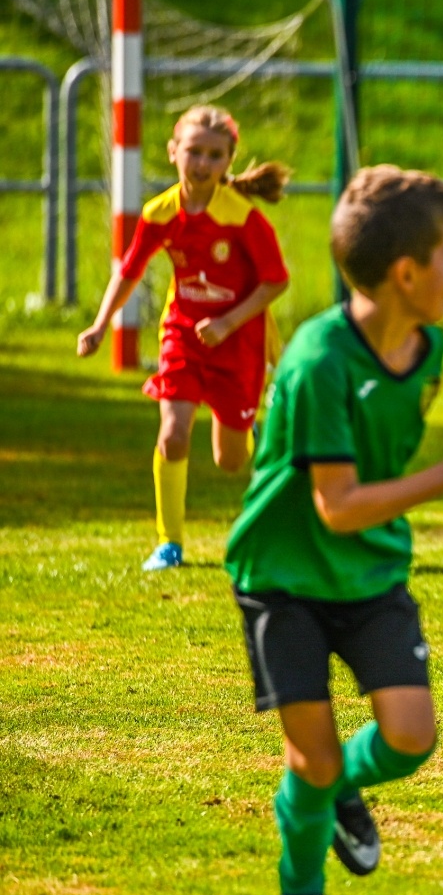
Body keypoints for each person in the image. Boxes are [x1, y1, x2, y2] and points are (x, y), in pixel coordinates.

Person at [224, 166, 443, 895]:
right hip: (283, 573)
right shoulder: (320, 360)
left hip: (370, 568)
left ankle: (338, 782)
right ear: (406, 272)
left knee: (410, 737)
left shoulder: (429, 350)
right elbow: (338, 504)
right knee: (310, 758)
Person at [77, 105, 290, 572]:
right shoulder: (160, 213)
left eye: (215, 155)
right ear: (174, 152)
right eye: (194, 151)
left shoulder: (242, 218)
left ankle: (257, 437)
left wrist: (228, 324)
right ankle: (168, 543)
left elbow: (276, 281)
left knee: (230, 461)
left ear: (229, 161)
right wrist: (99, 323)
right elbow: (130, 270)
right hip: (183, 337)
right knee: (172, 434)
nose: (202, 163)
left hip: (237, 342)